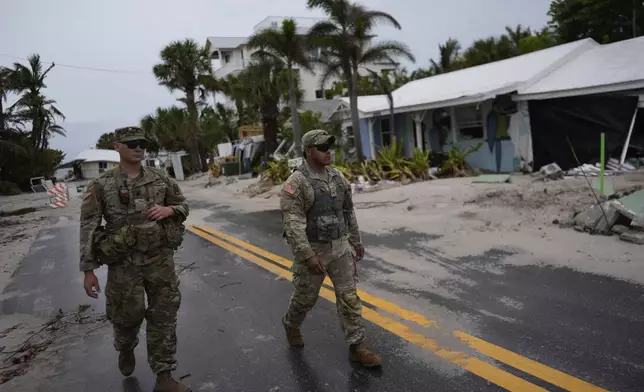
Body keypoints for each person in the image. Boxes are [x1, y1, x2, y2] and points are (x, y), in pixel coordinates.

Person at [79, 126, 191, 392]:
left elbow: (183, 206)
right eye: (131, 144)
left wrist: (169, 210)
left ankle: (164, 376)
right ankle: (125, 347)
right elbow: (88, 227)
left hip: (159, 260)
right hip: (123, 264)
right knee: (126, 318)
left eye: (141, 143)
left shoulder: (161, 178)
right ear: (117, 147)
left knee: (164, 316)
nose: (138, 148)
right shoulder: (101, 185)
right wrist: (88, 270)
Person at [279, 129, 382, 368]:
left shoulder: (338, 177)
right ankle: (291, 324)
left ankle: (357, 347)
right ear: (308, 151)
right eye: (322, 148)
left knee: (349, 297)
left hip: (340, 247)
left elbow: (347, 211)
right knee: (305, 299)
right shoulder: (296, 183)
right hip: (313, 250)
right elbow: (292, 223)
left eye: (329, 147)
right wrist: (308, 255)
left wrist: (356, 241)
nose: (328, 152)